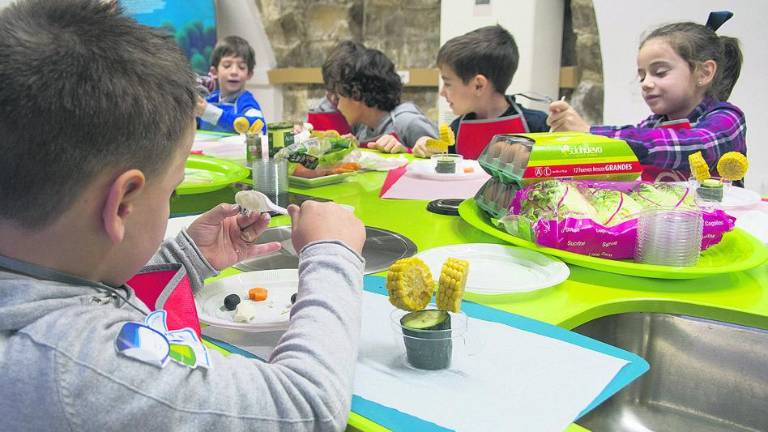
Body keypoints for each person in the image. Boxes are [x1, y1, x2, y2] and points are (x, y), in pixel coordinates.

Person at [0, 1, 366, 431]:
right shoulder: (75, 370)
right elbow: (308, 406)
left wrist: (188, 255)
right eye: (171, 190)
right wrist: (332, 253)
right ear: (122, 203)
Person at [547, 12, 745, 183]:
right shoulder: (654, 124)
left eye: (659, 72)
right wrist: (573, 138)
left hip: (722, 224)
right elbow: (623, 153)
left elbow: (692, 146)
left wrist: (590, 131)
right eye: (642, 76)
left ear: (704, 72)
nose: (646, 83)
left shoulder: (727, 118)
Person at [413, 25, 548, 159]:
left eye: (447, 83)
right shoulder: (456, 130)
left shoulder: (538, 126)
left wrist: (567, 134)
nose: (442, 93)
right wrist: (426, 147)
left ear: (478, 85)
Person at [330, 47, 439, 154]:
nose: (338, 106)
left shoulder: (408, 123)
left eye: (339, 98)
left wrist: (406, 151)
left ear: (356, 94)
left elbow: (444, 160)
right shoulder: (364, 128)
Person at [196, 35, 267, 134]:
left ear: (249, 74)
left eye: (241, 67)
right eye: (227, 66)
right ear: (214, 72)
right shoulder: (209, 100)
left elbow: (260, 127)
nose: (234, 72)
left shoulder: (245, 101)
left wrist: (210, 113)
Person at [307, 40, 366, 135]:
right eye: (330, 90)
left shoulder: (370, 113)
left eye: (339, 94)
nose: (333, 99)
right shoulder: (319, 113)